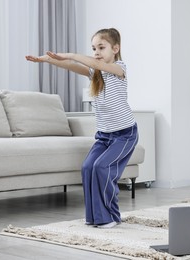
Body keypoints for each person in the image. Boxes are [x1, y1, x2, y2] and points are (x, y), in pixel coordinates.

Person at [26, 28, 138, 229]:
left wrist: (69, 54)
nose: (96, 52)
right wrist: (46, 60)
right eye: (94, 48)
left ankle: (111, 216)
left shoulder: (119, 68)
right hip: (104, 136)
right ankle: (95, 216)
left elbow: (91, 62)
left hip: (125, 135)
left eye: (101, 47)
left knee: (102, 167)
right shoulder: (95, 73)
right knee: (88, 167)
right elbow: (70, 66)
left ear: (115, 48)